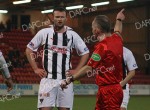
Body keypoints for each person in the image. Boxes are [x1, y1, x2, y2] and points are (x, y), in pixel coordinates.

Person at [26, 7, 89, 110]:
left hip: (66, 80)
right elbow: (29, 50)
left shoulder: (72, 35)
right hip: (48, 81)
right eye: (57, 17)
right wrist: (35, 69)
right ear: (52, 17)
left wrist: (77, 70)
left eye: (62, 17)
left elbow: (85, 52)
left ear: (66, 18)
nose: (60, 19)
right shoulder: (44, 33)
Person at [61, 9, 125, 110]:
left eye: (93, 27)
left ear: (97, 30)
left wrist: (70, 79)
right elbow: (118, 30)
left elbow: (89, 68)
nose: (92, 30)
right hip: (115, 89)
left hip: (108, 92)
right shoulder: (117, 38)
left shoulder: (102, 47)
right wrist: (119, 19)